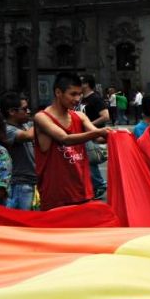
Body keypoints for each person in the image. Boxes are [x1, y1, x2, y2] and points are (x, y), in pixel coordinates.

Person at [33, 72, 109, 210]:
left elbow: (98, 138)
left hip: (82, 191)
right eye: (73, 94)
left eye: (80, 94)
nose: (77, 99)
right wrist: (99, 132)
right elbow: (64, 139)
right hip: (56, 195)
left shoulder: (79, 116)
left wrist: (117, 135)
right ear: (58, 92)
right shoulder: (42, 118)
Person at [0, 92, 37, 210]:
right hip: (19, 183)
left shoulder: (25, 125)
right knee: (21, 221)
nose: (28, 111)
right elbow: (28, 136)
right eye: (24, 109)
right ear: (11, 112)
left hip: (31, 181)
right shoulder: (6, 129)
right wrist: (42, 119)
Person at [80, 75, 109, 199]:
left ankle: (99, 184)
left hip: (92, 133)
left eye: (81, 82)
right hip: (85, 134)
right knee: (85, 159)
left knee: (90, 159)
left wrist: (89, 125)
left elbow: (105, 116)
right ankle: (94, 184)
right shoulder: (81, 99)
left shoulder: (95, 98)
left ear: (87, 84)